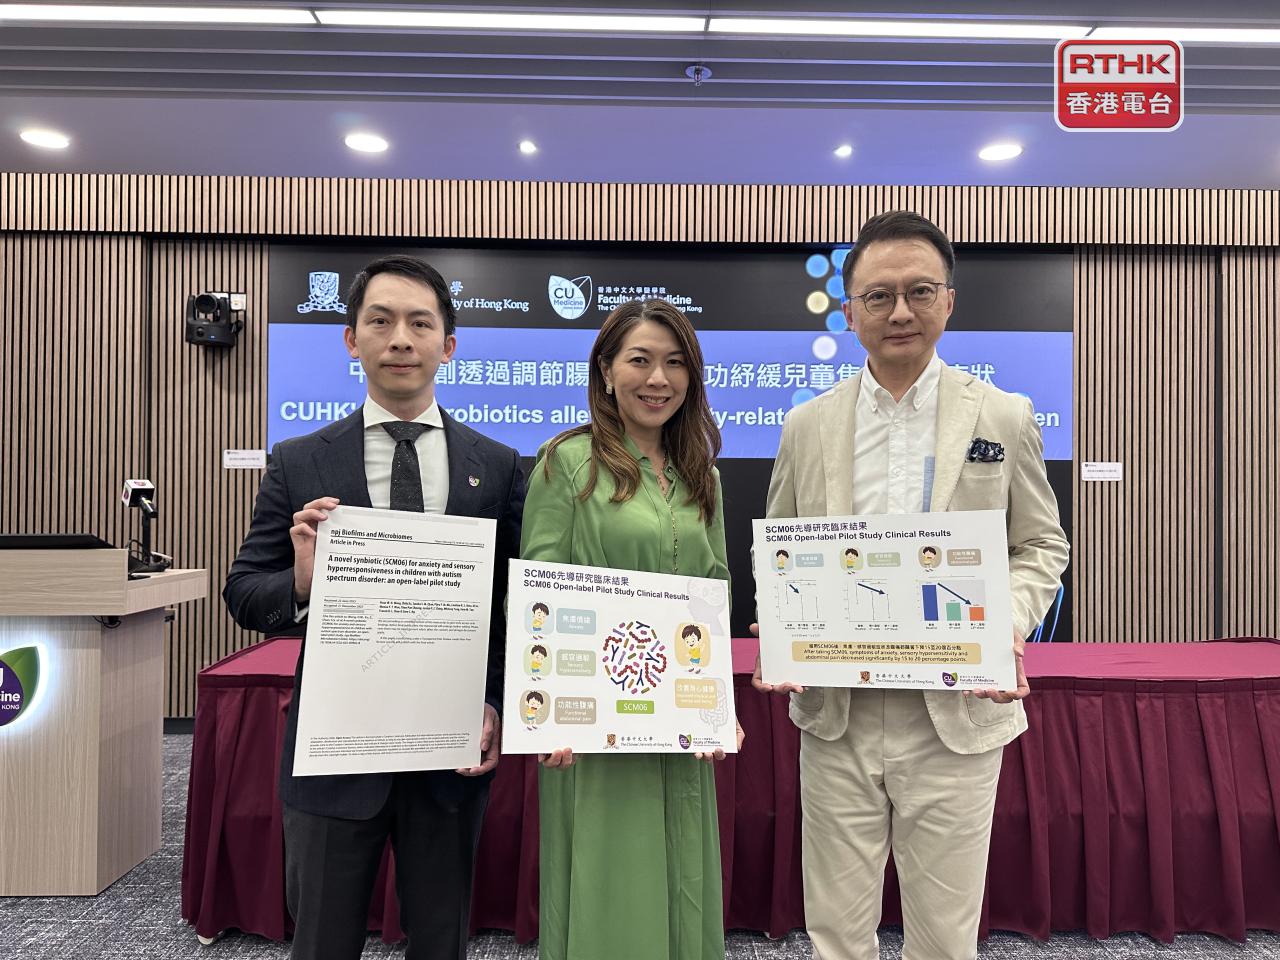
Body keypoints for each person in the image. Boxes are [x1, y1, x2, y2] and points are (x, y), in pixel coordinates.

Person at [754, 211, 1069, 960]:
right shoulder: (806, 425)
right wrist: (779, 631)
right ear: (850, 308)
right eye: (878, 296)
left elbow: (1040, 544)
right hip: (838, 715)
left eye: (919, 291)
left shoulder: (1003, 414)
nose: (900, 312)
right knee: (835, 929)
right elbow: (784, 552)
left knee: (945, 935)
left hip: (953, 721)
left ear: (948, 301)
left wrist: (1008, 625)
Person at [223, 255, 525, 960]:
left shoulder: (502, 465)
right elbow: (244, 592)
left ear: (448, 346)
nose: (400, 339)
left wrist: (493, 701)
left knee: (442, 942)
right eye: (380, 321)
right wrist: (299, 582)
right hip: (333, 758)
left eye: (421, 323)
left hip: (448, 757)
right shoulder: (300, 459)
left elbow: (512, 608)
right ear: (350, 340)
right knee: (322, 943)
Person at [520, 298, 740, 960]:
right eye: (639, 360)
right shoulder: (568, 462)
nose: (658, 379)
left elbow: (716, 593)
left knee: (684, 881)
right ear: (606, 370)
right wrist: (548, 710)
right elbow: (541, 587)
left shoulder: (704, 475)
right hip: (592, 729)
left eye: (676, 363)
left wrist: (717, 707)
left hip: (678, 729)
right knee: (608, 888)